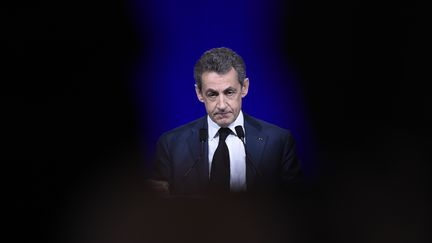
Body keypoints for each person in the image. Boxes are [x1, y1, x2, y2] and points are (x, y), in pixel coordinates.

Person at [149, 47, 302, 196]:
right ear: (199, 93)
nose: (221, 105)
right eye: (212, 94)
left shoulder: (278, 142)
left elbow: (295, 206)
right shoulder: (172, 144)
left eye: (229, 92)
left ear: (244, 88)